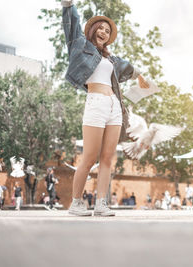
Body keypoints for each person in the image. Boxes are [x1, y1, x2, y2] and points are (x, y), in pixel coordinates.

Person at [60, 0, 149, 217]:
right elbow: (71, 24)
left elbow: (126, 66)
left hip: (114, 107)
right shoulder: (79, 45)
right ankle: (76, 202)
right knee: (89, 157)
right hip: (96, 103)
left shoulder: (110, 58)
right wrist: (67, 5)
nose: (103, 31)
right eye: (100, 27)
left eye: (107, 30)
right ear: (92, 30)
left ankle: (101, 203)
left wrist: (140, 76)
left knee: (108, 158)